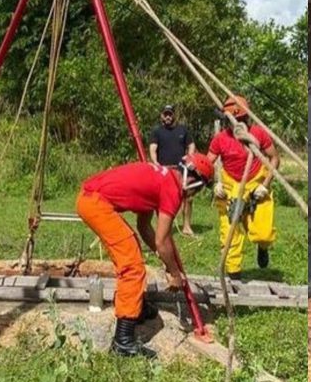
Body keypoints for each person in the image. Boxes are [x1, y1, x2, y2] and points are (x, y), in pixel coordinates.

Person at [76, 153, 214, 358]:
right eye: (200, 187)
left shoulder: (164, 177)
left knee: (132, 250)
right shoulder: (172, 189)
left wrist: (166, 262)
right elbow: (161, 240)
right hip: (95, 203)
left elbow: (144, 227)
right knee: (132, 267)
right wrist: (174, 272)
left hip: (91, 198)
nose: (195, 193)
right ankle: (123, 342)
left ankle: (135, 307)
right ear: (192, 179)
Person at [208, 94, 279, 280]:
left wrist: (265, 185)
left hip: (255, 181)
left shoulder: (258, 133)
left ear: (247, 116)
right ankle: (234, 275)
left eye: (240, 119)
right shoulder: (220, 140)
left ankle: (262, 248)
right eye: (233, 120)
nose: (237, 123)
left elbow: (274, 158)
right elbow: (207, 164)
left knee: (263, 232)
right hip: (231, 185)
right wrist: (216, 184)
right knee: (230, 233)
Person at [149, 104, 197, 236]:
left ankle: (186, 226)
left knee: (188, 197)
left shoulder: (183, 130)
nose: (168, 117)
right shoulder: (157, 131)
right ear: (162, 116)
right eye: (166, 114)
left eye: (170, 114)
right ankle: (164, 228)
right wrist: (155, 163)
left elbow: (191, 145)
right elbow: (153, 149)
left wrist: (189, 158)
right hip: (164, 170)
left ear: (174, 115)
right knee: (162, 199)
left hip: (182, 169)